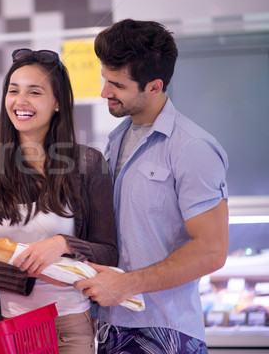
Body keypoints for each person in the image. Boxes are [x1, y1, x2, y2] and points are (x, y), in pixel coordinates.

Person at [73, 19, 229, 353]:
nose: (104, 92)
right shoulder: (117, 141)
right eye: (104, 79)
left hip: (166, 333)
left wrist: (126, 285)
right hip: (112, 327)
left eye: (116, 84)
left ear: (154, 87)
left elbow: (212, 251)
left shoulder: (192, 147)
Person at [0, 48, 118, 353]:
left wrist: (64, 244)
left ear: (57, 103)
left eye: (34, 92)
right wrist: (27, 272)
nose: (20, 101)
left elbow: (108, 254)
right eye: (13, 91)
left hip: (66, 329)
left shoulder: (89, 165)